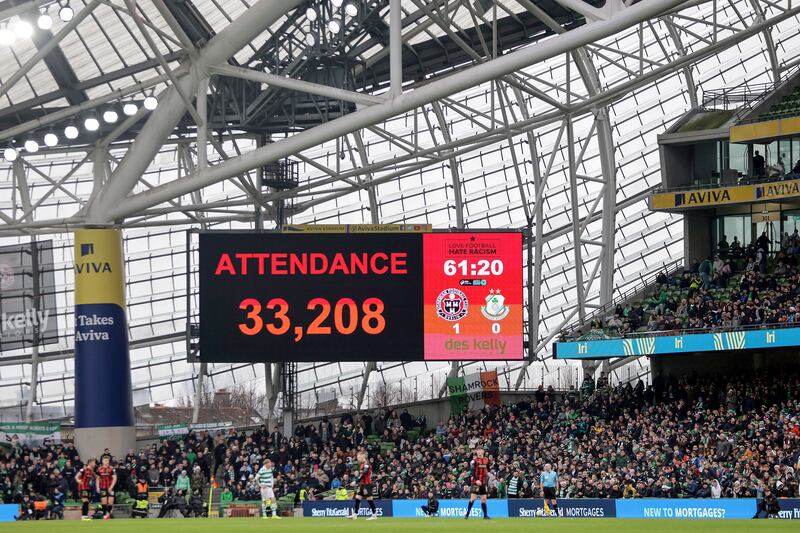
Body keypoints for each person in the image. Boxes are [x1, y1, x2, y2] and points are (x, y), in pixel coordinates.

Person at [348, 452, 377, 520]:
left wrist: (356, 481)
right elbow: (361, 474)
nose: (357, 458)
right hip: (362, 484)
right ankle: (355, 515)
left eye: (358, 457)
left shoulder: (366, 464)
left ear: (363, 456)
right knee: (357, 498)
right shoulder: (362, 464)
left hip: (367, 484)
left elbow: (364, 474)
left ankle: (374, 515)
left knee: (369, 499)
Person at [464, 447, 490, 519]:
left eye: (480, 450)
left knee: (484, 499)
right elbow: (472, 472)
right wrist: (476, 480)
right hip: (476, 482)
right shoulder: (474, 461)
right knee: (473, 499)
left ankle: (485, 515)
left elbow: (488, 469)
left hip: (483, 482)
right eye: (478, 450)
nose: (479, 451)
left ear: (483, 451)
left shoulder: (486, 460)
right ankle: (467, 514)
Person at [96, 454, 117, 520]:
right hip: (102, 487)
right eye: (105, 460)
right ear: (102, 461)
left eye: (107, 460)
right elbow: (97, 479)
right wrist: (97, 487)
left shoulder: (112, 469)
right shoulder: (99, 469)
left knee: (110, 503)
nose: (106, 462)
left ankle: (108, 512)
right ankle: (105, 515)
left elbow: (115, 478)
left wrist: (111, 487)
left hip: (110, 487)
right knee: (104, 502)